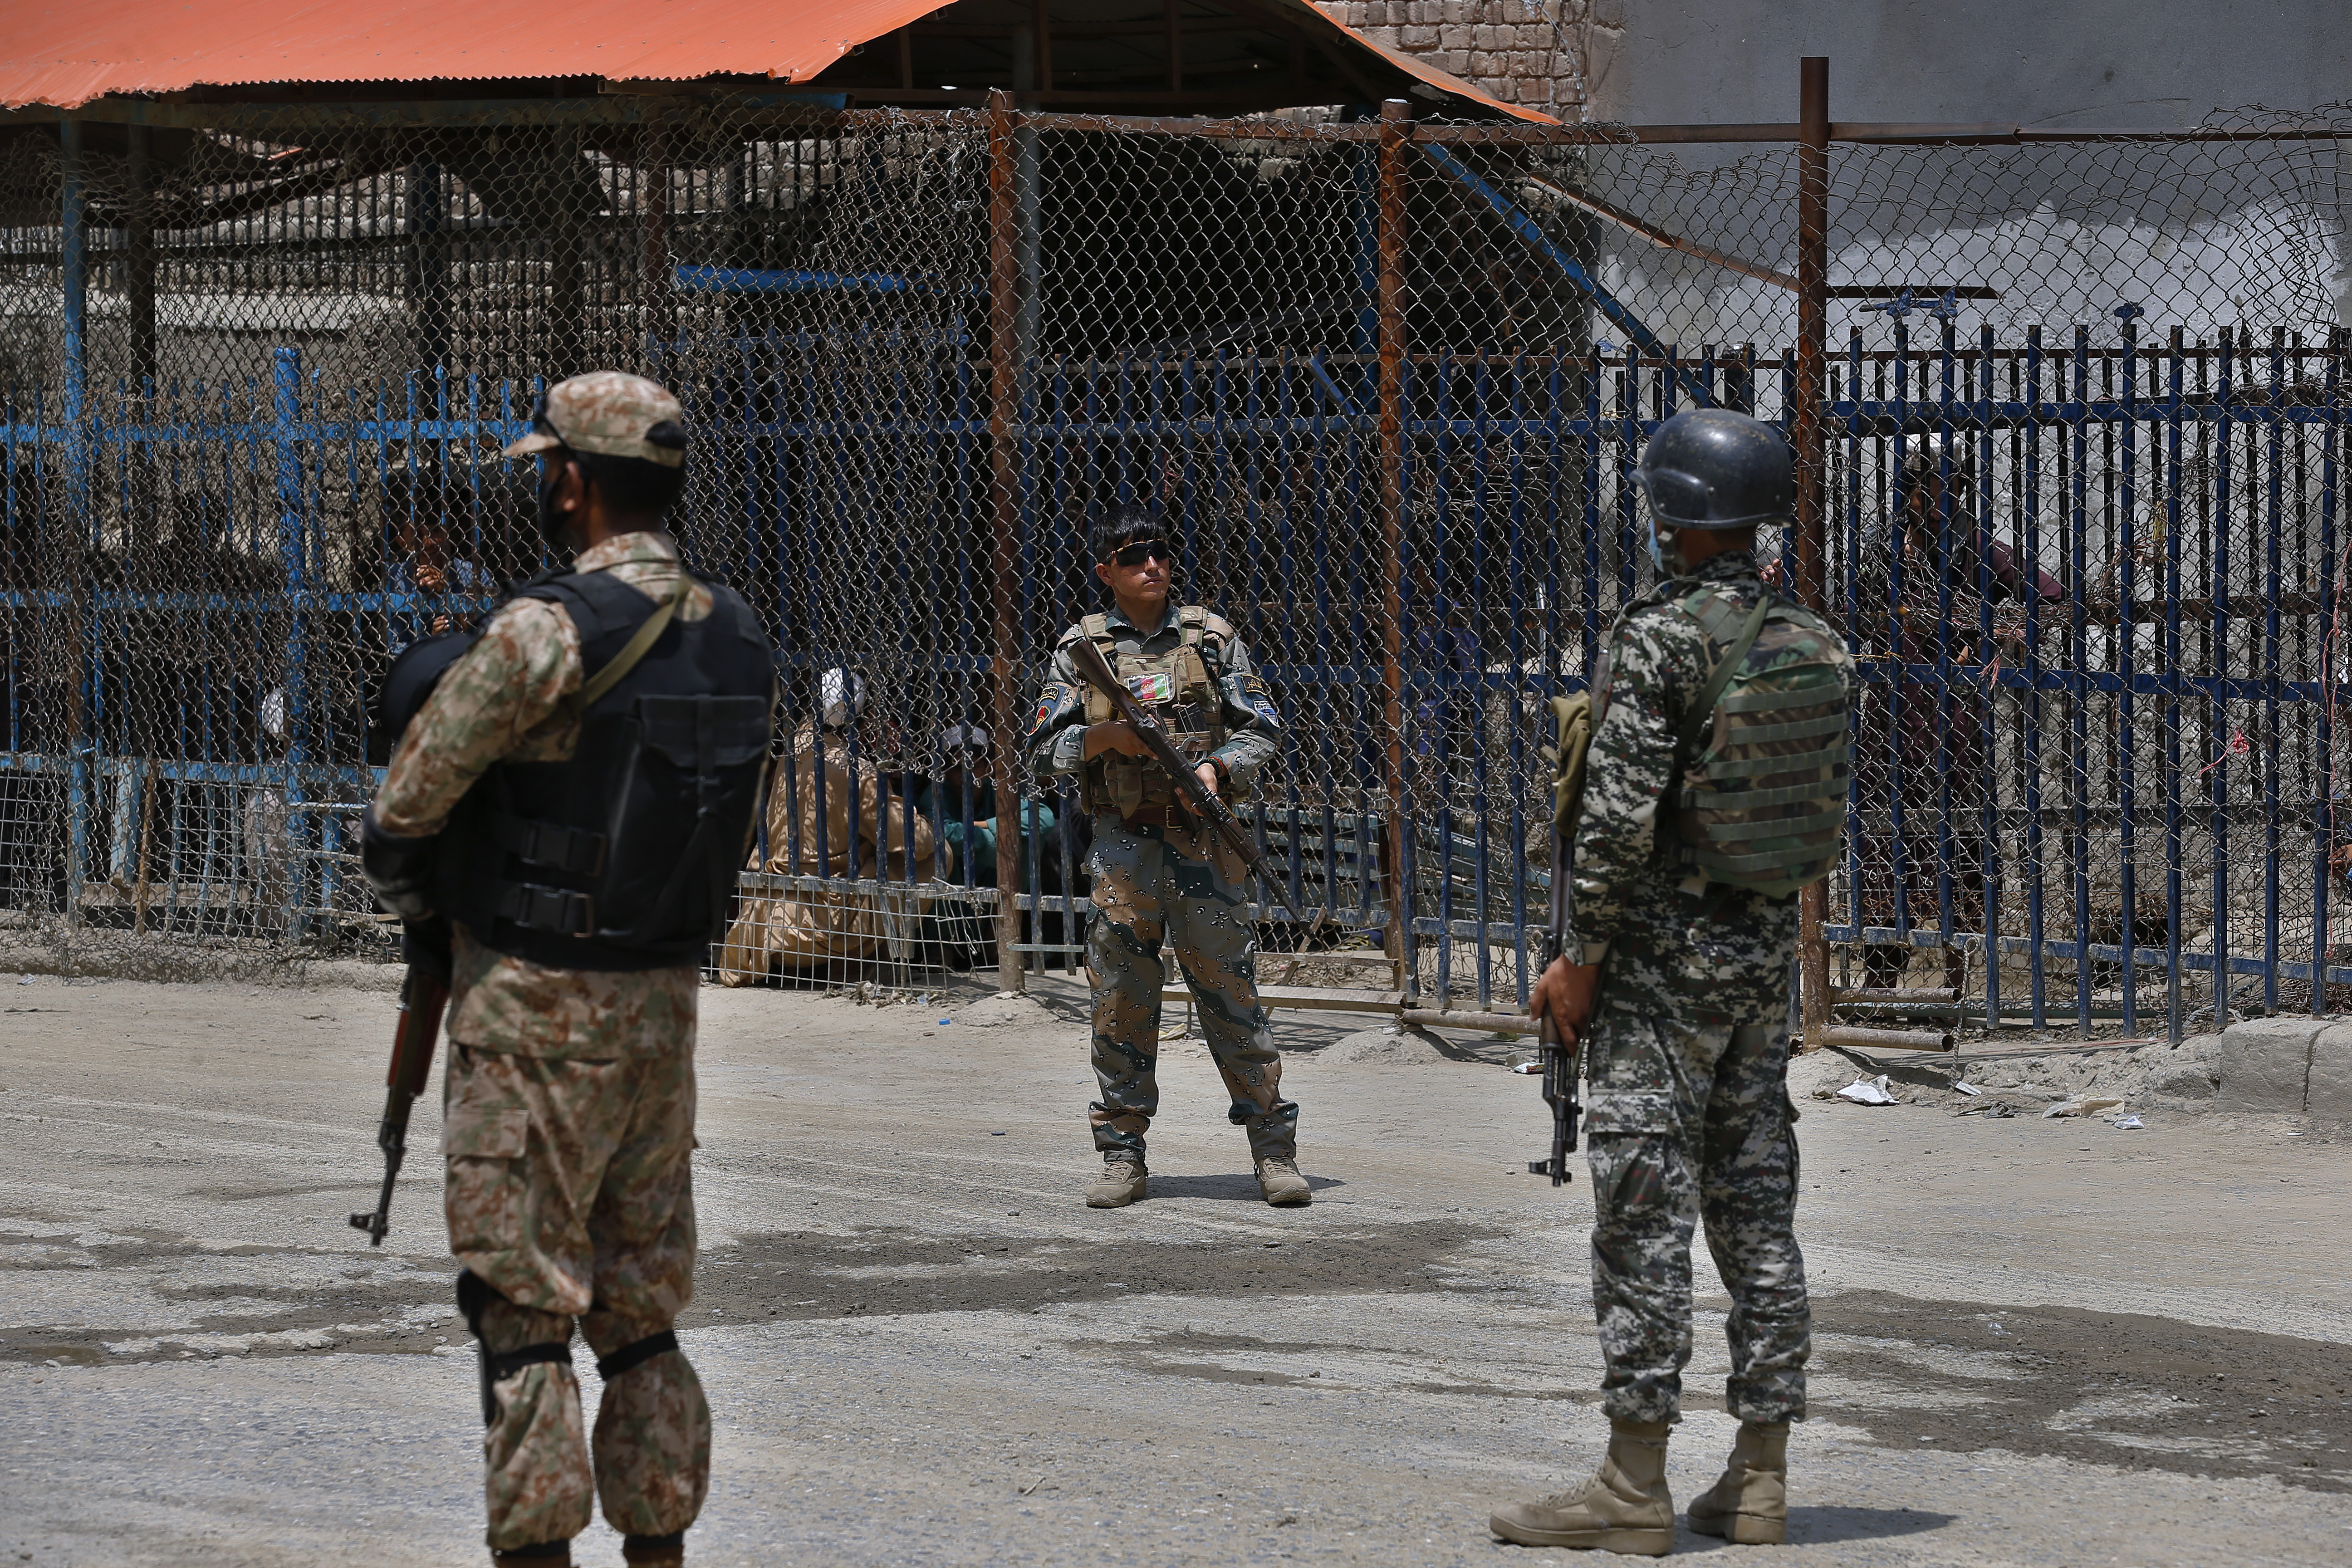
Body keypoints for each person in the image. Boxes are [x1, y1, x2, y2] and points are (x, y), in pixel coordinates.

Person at [360, 371, 777, 1568]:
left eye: (551, 469)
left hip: (537, 1013)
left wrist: (431, 911)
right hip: (664, 1013)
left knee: (524, 1317)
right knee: (642, 1318)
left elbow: (405, 811)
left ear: (573, 483)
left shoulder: (545, 630)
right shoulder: (737, 634)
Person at [1493, 409, 1853, 1555]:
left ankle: (1632, 1482)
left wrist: (1580, 959)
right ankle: (1757, 1477)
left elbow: (1611, 817)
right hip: (1758, 958)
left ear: (1672, 516)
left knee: (1641, 1212)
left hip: (1659, 962)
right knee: (1757, 1209)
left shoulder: (1659, 638)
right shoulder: (1810, 633)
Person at [1024, 502, 1302, 1209]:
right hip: (1124, 847)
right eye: (1135, 557)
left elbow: (1264, 725)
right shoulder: (1078, 650)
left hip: (1204, 842)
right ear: (1107, 572)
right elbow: (1043, 752)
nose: (1153, 566)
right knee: (1120, 999)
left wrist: (1220, 769)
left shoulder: (1210, 638)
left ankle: (1273, 1150)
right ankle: (1123, 1155)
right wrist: (1104, 741)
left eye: (1161, 553)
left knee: (1231, 996)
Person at [1851, 438, 2060, 992]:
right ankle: (1880, 981)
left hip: (1954, 726)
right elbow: (1847, 612)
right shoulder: (1883, 549)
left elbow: (2053, 596)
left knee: (1961, 848)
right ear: (1909, 494)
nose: (1935, 499)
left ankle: (1957, 981)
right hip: (1891, 724)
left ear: (1963, 489)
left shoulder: (1980, 551)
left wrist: (1995, 628)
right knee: (1883, 848)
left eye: (1946, 486)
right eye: (1924, 489)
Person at [715, 668, 941, 984]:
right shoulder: (857, 772)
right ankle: (861, 959)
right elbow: (916, 840)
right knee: (936, 854)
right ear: (864, 719)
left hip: (764, 915)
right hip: (813, 926)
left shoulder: (792, 752)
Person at [911, 722, 1056, 887]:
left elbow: (1044, 817)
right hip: (953, 885)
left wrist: (985, 825)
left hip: (993, 879)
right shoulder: (937, 793)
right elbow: (940, 831)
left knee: (1034, 836)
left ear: (989, 769)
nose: (967, 777)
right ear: (945, 771)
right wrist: (991, 836)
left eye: (974, 767)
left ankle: (1008, 902)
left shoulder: (995, 791)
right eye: (958, 768)